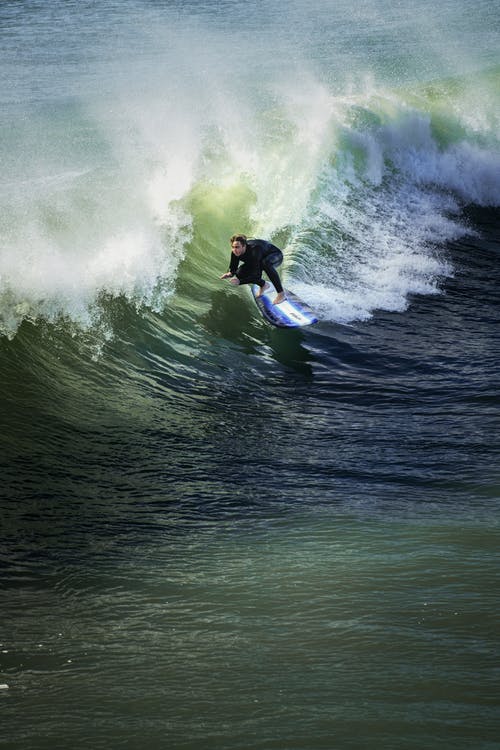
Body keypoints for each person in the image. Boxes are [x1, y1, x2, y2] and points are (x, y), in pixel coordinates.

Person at [220, 234, 286, 304]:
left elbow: (256, 275)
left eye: (237, 247)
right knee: (239, 274)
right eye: (233, 247)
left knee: (265, 263)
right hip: (258, 259)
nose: (234, 250)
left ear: (244, 246)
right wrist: (230, 274)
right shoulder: (235, 252)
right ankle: (264, 285)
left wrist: (240, 282)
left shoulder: (255, 250)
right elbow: (233, 268)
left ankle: (281, 294)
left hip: (275, 255)